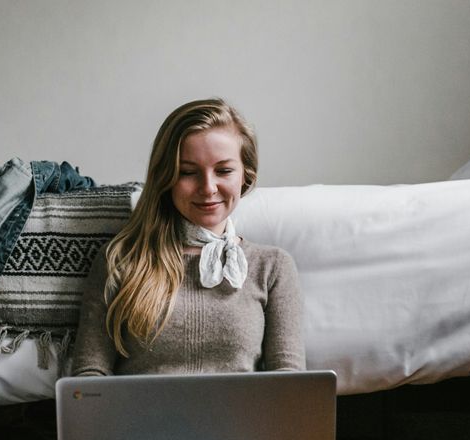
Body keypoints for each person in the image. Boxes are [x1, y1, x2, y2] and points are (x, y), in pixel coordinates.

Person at [70, 98, 305, 376]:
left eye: (224, 170)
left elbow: (289, 381)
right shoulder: (120, 261)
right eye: (188, 172)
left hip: (242, 419)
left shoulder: (273, 266)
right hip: (142, 419)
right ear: (165, 178)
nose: (208, 188)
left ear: (246, 176)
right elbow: (89, 376)